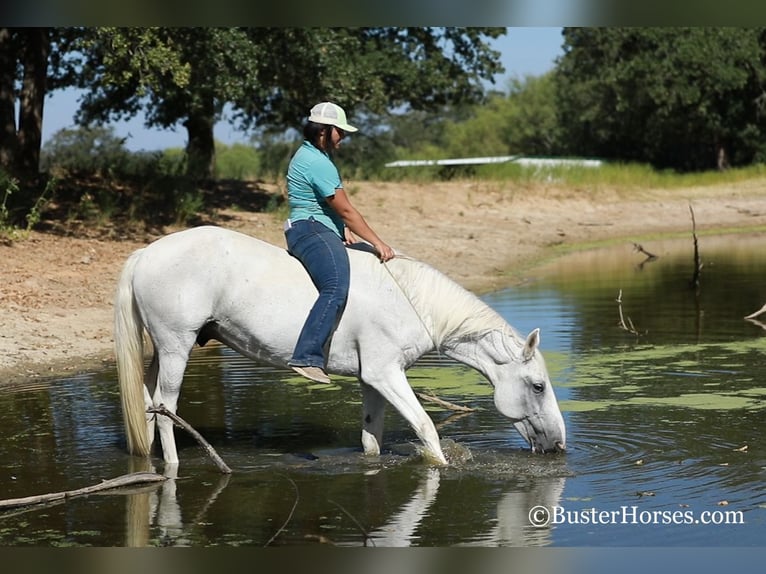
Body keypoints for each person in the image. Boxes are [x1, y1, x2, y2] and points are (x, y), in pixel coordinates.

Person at [284, 102, 395, 384]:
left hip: (318, 226)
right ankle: (307, 356)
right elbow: (346, 209)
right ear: (324, 131)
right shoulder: (318, 162)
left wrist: (341, 228)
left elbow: (331, 209)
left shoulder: (313, 155)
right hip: (311, 229)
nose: (343, 136)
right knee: (335, 285)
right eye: (339, 131)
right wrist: (378, 242)